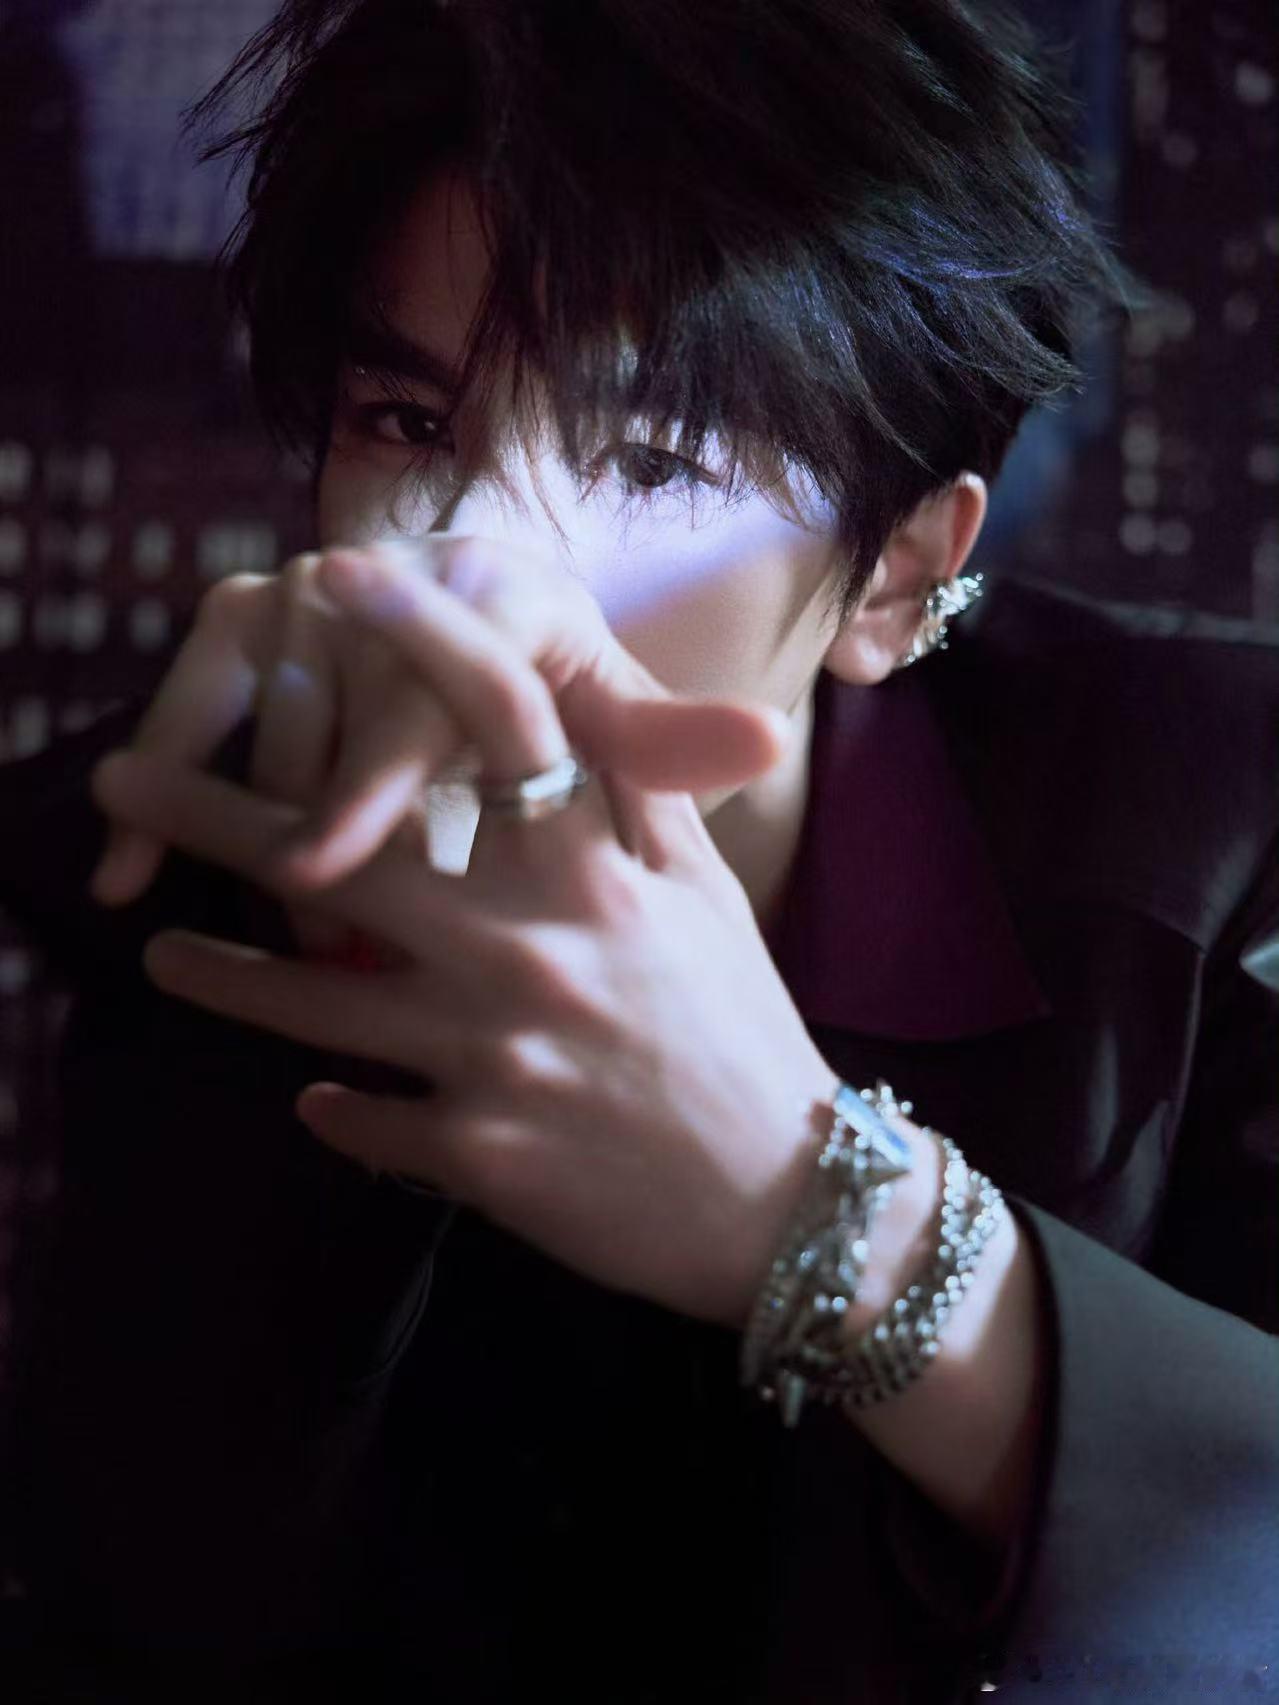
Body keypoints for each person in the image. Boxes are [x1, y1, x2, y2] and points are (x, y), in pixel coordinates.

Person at [0, 2, 1276, 1699]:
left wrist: (816, 1207)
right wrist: (340, 1001)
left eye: (657, 460)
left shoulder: (1216, 829)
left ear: (899, 571)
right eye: (406, 422)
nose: (480, 555)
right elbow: (138, 1616)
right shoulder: (199, 825)